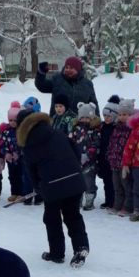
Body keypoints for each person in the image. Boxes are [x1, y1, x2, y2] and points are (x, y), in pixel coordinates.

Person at [16, 106, 90, 267]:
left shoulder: (28, 145)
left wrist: (38, 188)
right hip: (74, 180)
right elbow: (75, 151)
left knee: (52, 218)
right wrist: (74, 169)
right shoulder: (56, 131)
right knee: (73, 216)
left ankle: (57, 253)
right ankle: (81, 247)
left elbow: (32, 172)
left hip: (52, 186)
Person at [107, 98, 136, 216]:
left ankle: (128, 207)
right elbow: (112, 142)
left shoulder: (132, 129)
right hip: (115, 161)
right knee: (117, 186)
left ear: (131, 115)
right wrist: (109, 154)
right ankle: (117, 205)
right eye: (120, 114)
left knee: (127, 186)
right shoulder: (116, 127)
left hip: (125, 163)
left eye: (125, 114)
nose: (122, 117)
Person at [70, 102, 101, 210]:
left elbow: (96, 143)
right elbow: (71, 141)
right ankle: (78, 199)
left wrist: (88, 155)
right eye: (82, 117)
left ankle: (89, 199)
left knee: (88, 181)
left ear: (92, 117)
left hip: (90, 161)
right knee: (77, 181)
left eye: (87, 117)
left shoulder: (95, 129)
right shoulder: (75, 128)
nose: (84, 120)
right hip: (76, 160)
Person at [97, 95, 120, 209]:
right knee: (106, 181)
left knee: (114, 181)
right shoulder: (103, 127)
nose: (106, 118)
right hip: (104, 158)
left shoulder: (116, 128)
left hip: (113, 159)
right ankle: (108, 200)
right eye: (104, 115)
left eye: (108, 116)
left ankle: (115, 201)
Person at [0, 101, 24, 201]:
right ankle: (14, 192)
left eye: (15, 120)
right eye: (11, 120)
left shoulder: (21, 130)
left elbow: (23, 144)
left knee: (20, 176)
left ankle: (21, 193)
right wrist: (6, 153)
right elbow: (2, 143)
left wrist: (18, 153)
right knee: (12, 176)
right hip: (10, 160)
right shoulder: (6, 131)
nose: (13, 122)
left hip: (20, 159)